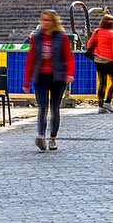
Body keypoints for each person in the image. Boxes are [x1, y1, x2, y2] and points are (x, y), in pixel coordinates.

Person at [25, 10, 76, 151]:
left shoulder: (62, 37)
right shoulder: (35, 38)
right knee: (42, 107)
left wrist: (70, 73)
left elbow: (69, 57)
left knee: (54, 108)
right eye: (43, 20)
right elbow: (30, 59)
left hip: (57, 77)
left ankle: (52, 138)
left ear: (54, 22)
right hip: (40, 76)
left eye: (48, 20)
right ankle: (41, 137)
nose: (45, 23)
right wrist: (26, 81)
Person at [85, 14, 113, 113]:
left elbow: (89, 44)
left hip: (98, 60)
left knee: (102, 83)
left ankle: (101, 106)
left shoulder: (97, 31)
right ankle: (108, 102)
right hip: (109, 62)